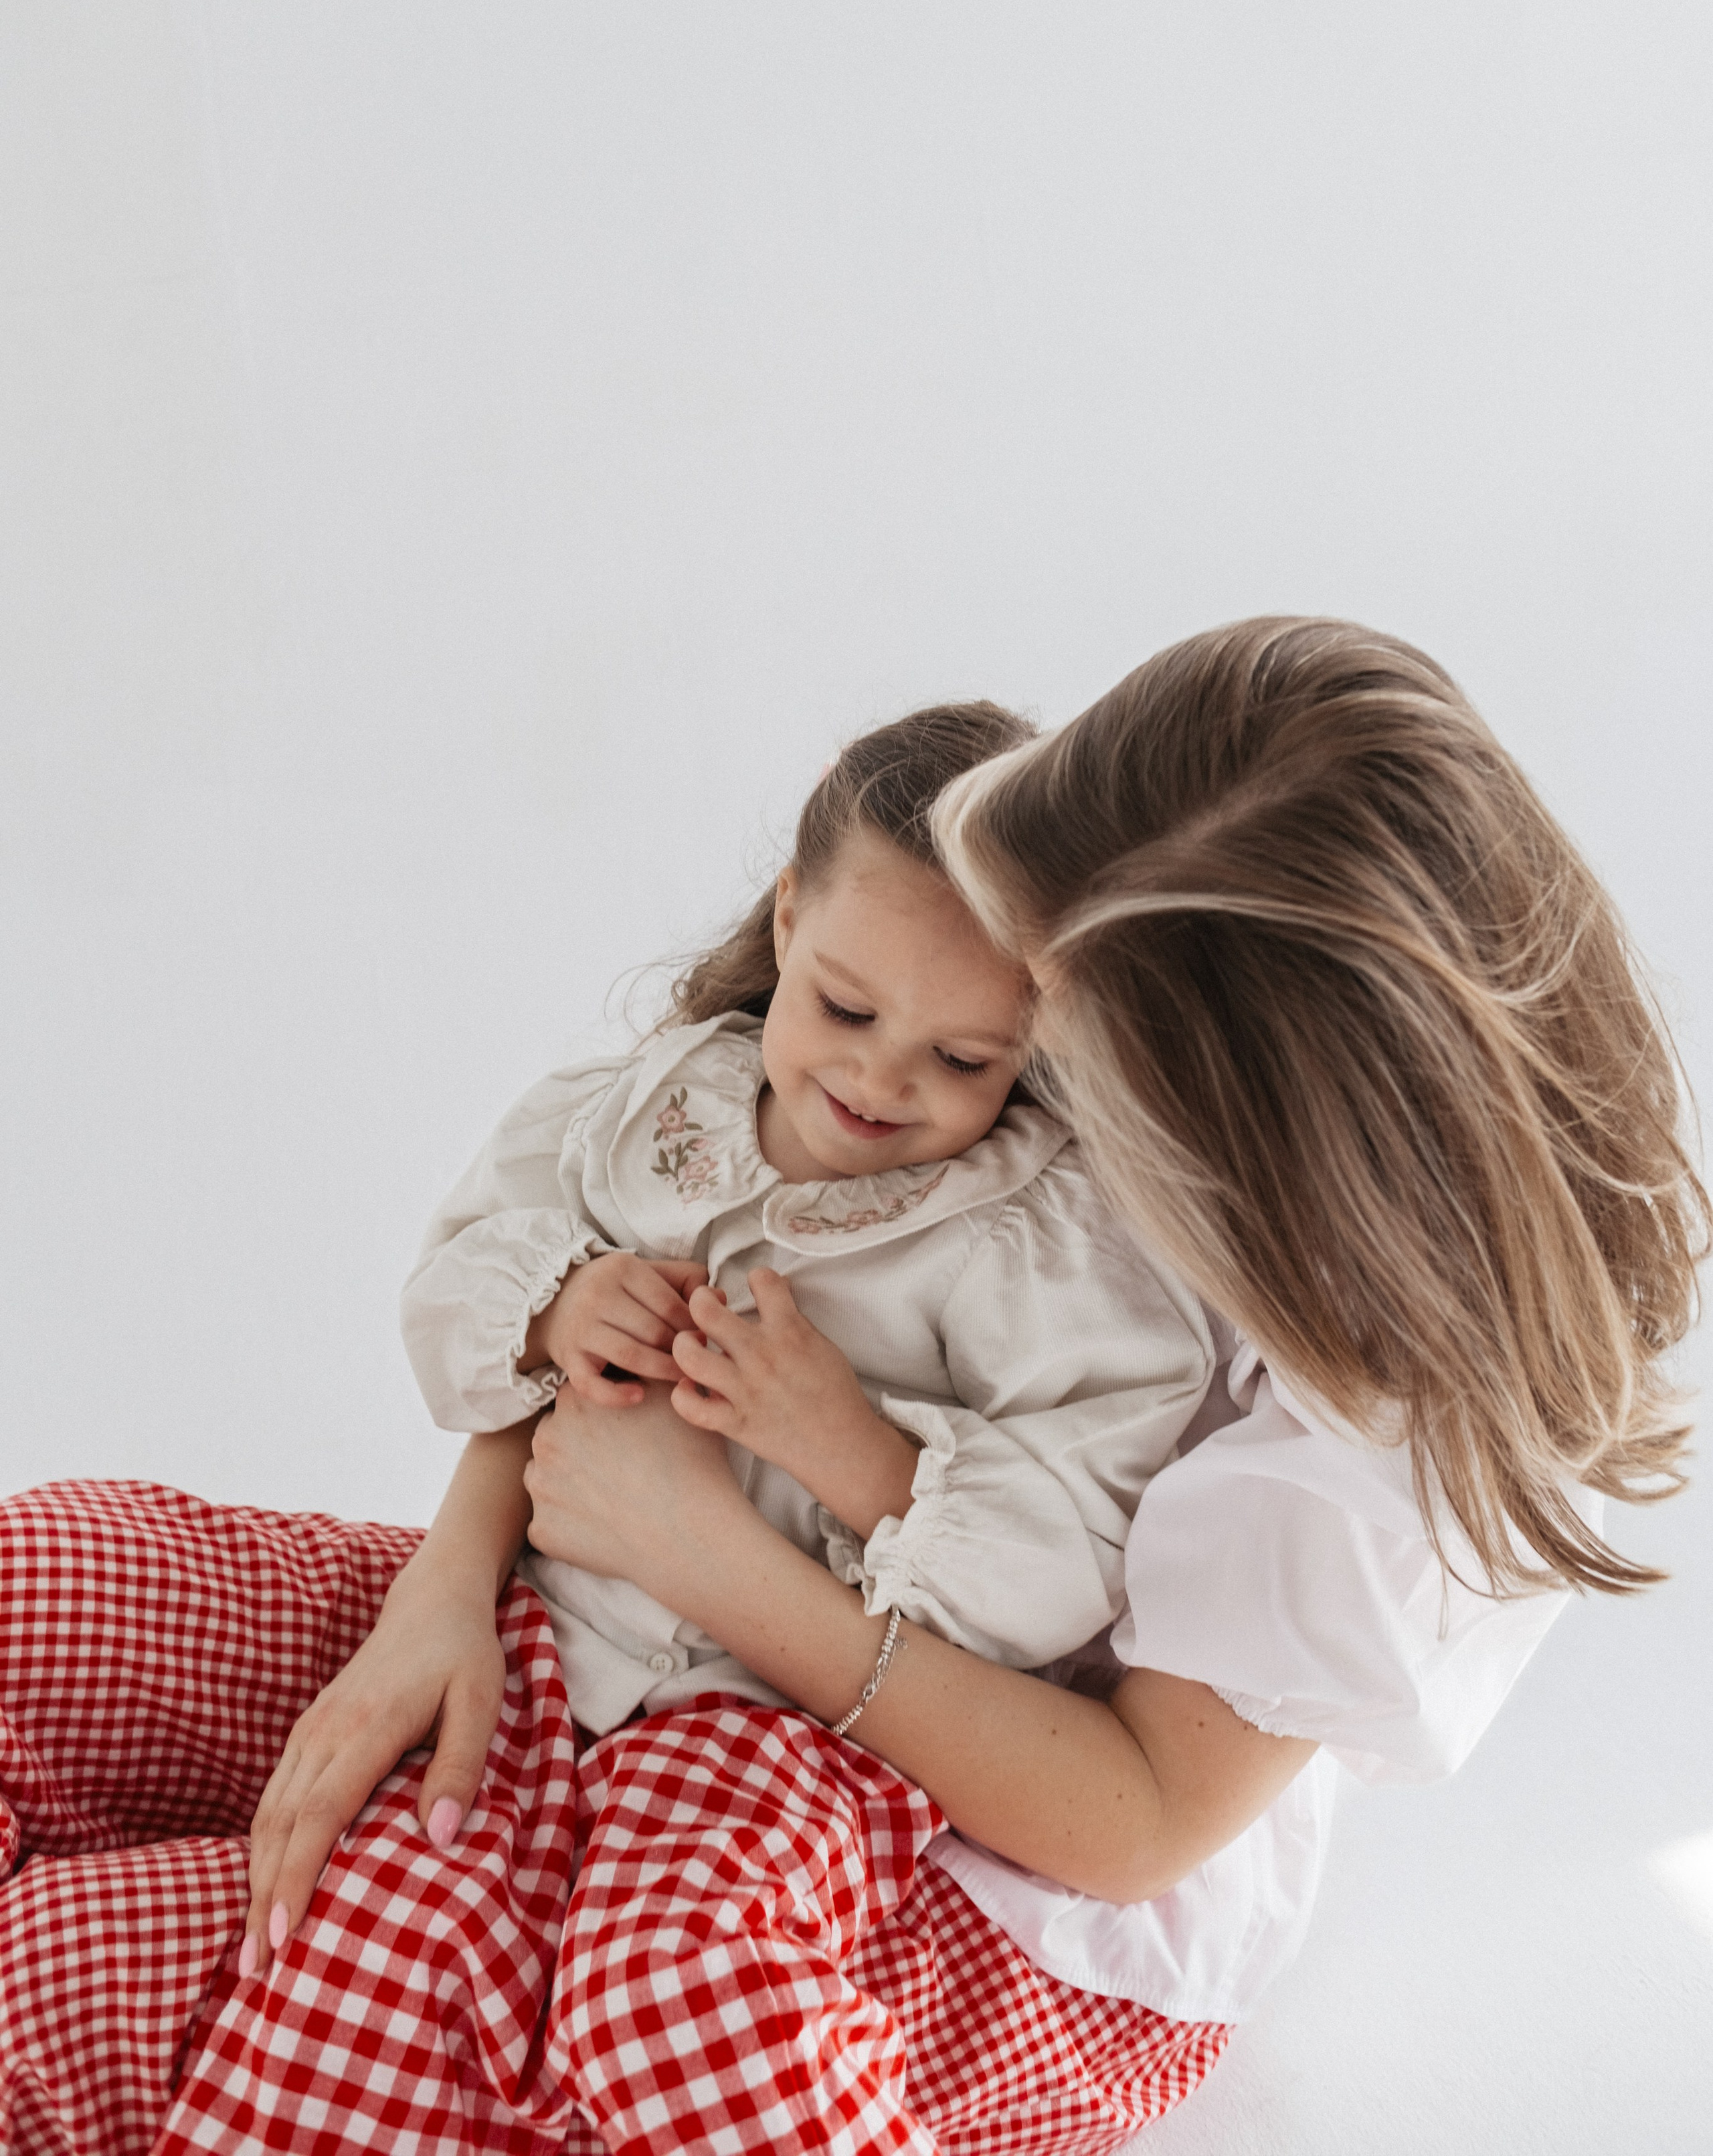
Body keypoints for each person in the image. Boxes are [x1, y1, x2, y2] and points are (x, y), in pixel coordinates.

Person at [0, 618, 1701, 2156]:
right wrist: (452, 1580)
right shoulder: (978, 1013)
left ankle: (396, 1962)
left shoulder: (1305, 1408)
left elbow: (1124, 1822)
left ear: (1230, 1110)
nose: (935, 1084)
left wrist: (719, 1552)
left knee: (202, 1993)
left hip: (958, 1845)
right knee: (51, 1593)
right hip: (609, 1612)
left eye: (1008, 1054)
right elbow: (605, 1273)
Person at [381, 702, 1211, 1790]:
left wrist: (852, 1452)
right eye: (844, 1009)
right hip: (537, 1645)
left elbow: (1072, 1571)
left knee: (667, 1950)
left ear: (1043, 1034)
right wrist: (556, 1307)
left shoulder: (1030, 1239)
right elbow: (445, 1291)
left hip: (780, 1747)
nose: (877, 1084)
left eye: (962, 1059)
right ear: (787, 923)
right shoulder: (646, 1106)